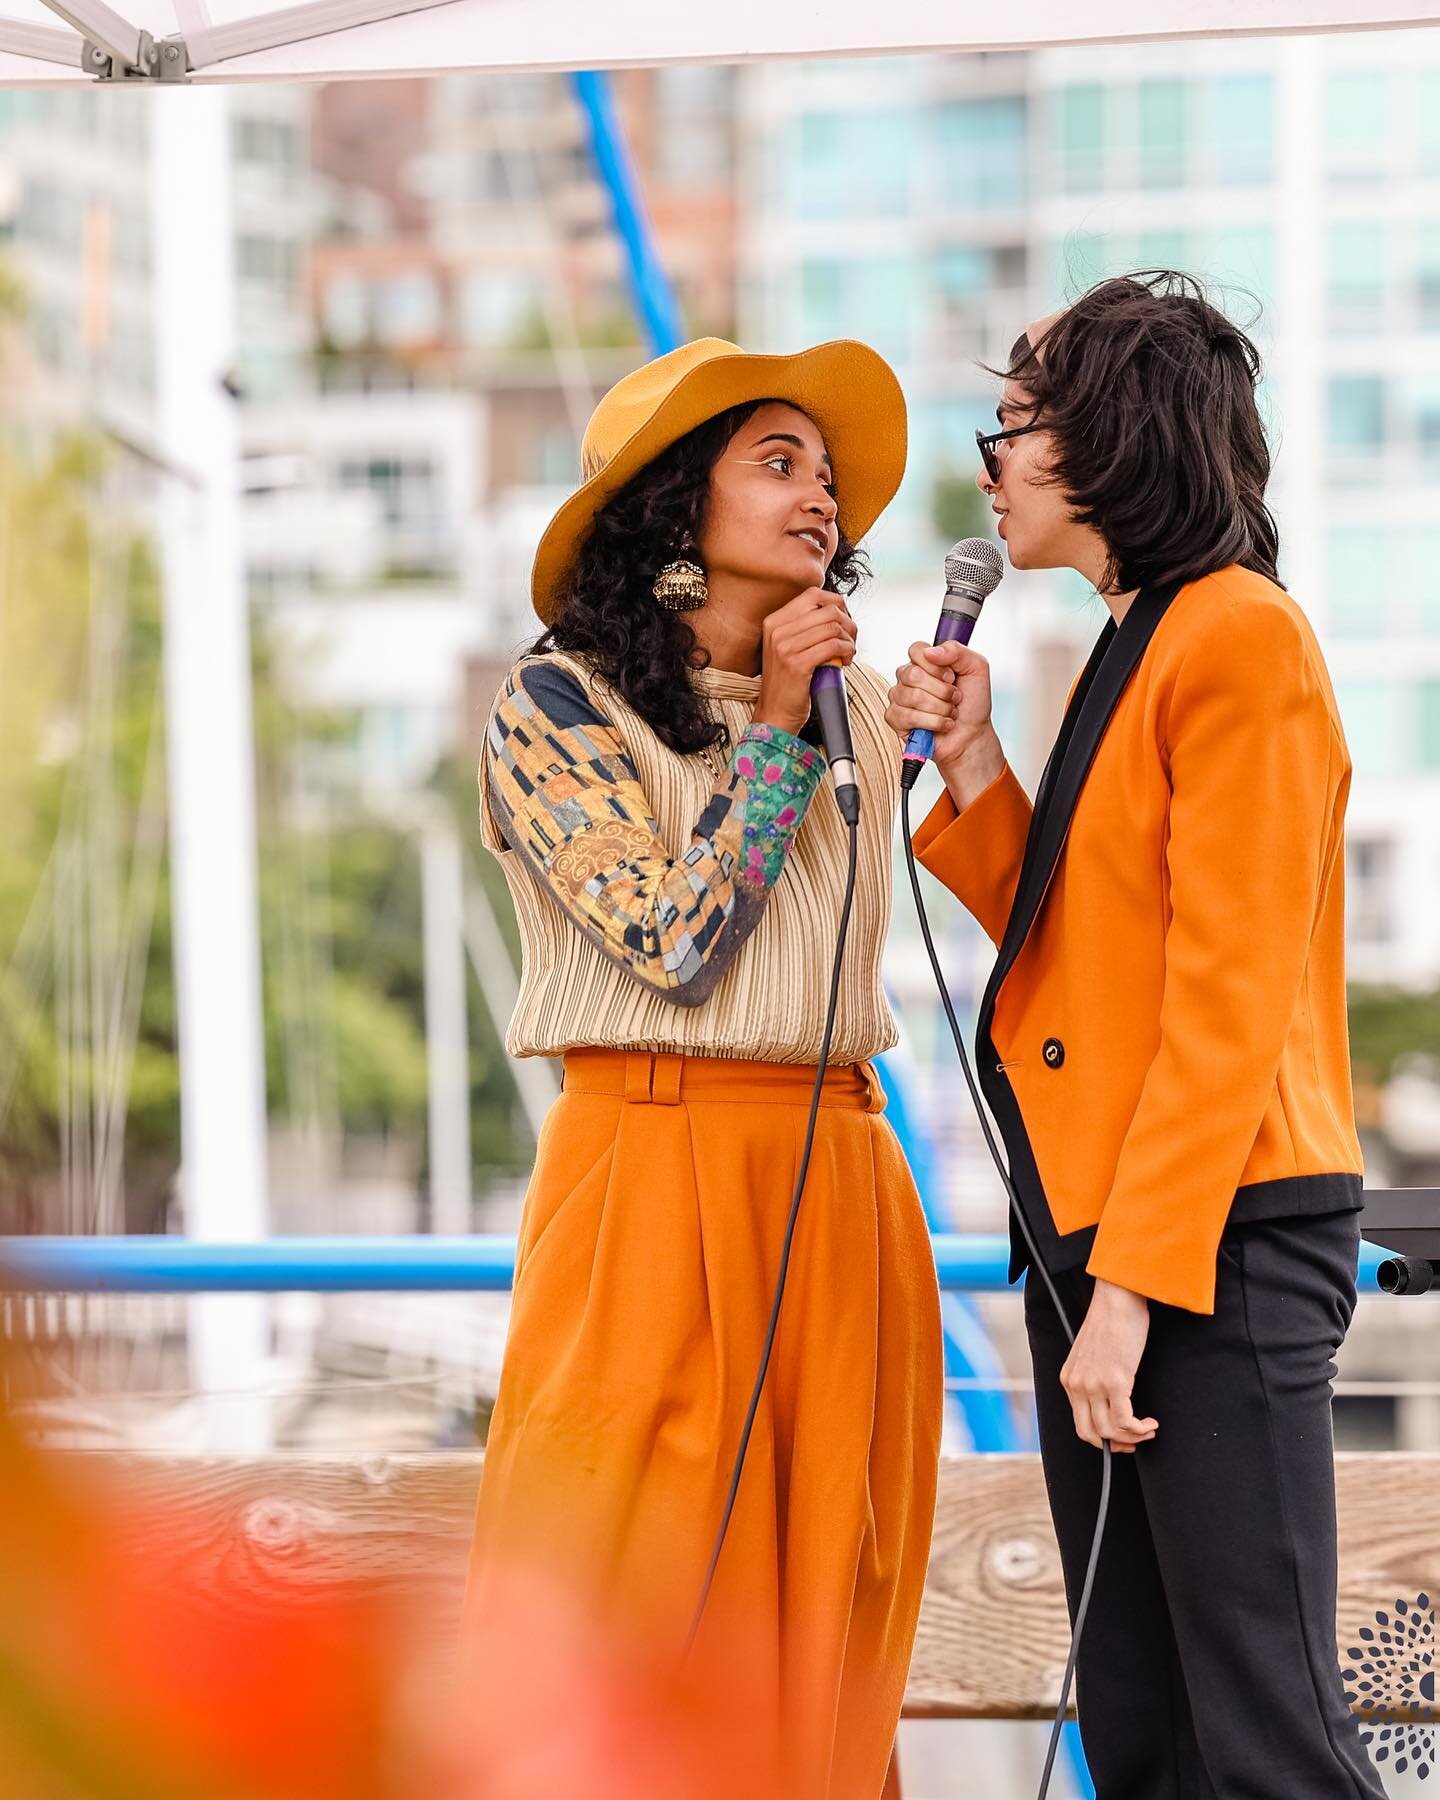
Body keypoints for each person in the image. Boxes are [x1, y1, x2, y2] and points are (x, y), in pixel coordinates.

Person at [886, 272, 1385, 1799]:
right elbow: (1102, 947)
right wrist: (975, 769)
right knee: (1153, 1731)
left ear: (1109, 441)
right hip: (1123, 1239)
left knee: (1265, 1735)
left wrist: (1132, 1295)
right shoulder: (1143, 634)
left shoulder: (1237, 639)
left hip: (1204, 1240)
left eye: (1014, 428)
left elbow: (1226, 1003)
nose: (991, 464)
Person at [461, 336, 943, 1800]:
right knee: (626, 1601)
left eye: (828, 475)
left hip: (845, 1178)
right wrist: (785, 727)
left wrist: (952, 760)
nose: (821, 498)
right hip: (650, 1180)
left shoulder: (862, 716)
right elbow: (672, 945)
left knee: (831, 1617)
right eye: (777, 462)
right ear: (679, 508)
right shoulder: (554, 707)